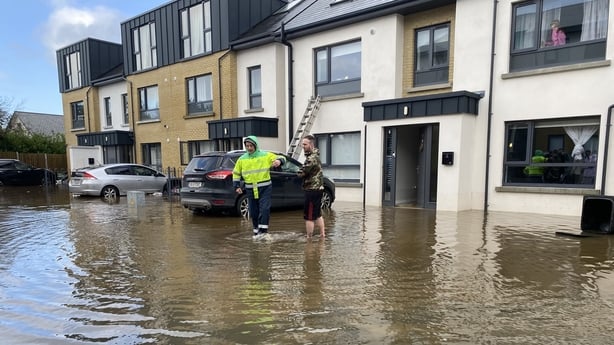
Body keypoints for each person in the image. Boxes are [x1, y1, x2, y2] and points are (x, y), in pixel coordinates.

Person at [233, 135, 285, 237]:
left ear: (255, 145)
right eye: (247, 146)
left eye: (251, 146)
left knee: (264, 209)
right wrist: (236, 186)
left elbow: (282, 157)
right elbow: (236, 173)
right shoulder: (242, 159)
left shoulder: (265, 155)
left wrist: (279, 161)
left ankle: (263, 232)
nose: (249, 148)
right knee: (253, 211)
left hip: (265, 188)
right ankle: (256, 231)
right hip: (250, 188)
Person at [297, 134, 326, 239]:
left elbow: (302, 172)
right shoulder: (315, 156)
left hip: (312, 190)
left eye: (305, 144)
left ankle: (309, 239)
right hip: (318, 189)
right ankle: (322, 235)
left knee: (309, 217)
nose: (303, 146)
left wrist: (295, 171)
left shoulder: (311, 158)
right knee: (317, 213)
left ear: (311, 144)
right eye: (302, 145)